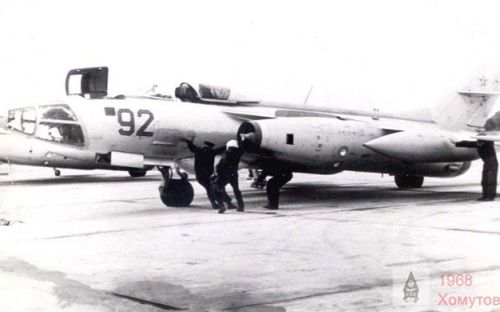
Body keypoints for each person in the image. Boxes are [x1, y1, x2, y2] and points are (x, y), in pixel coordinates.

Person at [456, 119, 498, 201]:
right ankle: (487, 196)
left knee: (489, 179)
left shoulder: (487, 136)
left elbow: (476, 144)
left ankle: (489, 196)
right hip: (489, 161)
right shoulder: (487, 135)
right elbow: (477, 143)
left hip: (490, 161)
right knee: (486, 179)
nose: (485, 124)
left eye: (487, 123)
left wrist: (459, 143)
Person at [183, 138, 226, 208]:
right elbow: (221, 150)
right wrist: (227, 145)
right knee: (211, 189)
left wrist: (189, 141)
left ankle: (215, 203)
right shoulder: (211, 152)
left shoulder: (198, 151)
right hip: (208, 176)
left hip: (200, 176)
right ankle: (216, 203)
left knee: (209, 189)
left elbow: (191, 147)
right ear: (210, 147)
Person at [214, 140, 244, 213]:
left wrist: (217, 170)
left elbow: (221, 165)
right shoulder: (238, 153)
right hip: (233, 174)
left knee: (218, 189)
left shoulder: (227, 154)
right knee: (236, 190)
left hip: (224, 174)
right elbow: (242, 148)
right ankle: (241, 206)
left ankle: (222, 206)